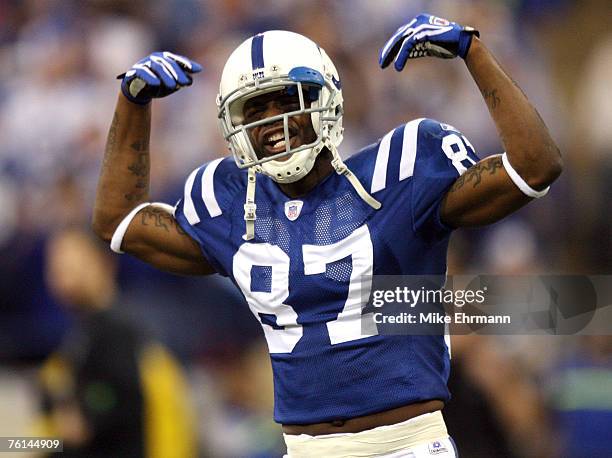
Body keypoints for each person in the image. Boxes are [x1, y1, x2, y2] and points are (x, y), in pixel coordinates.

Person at [93, 13, 562, 457]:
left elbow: (535, 167)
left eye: (287, 100)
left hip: (406, 443)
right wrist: (133, 103)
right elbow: (118, 221)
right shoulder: (231, 204)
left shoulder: (397, 170)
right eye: (255, 108)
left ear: (325, 102)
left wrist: (473, 52)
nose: (273, 123)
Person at [39, 228, 197, 458]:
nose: (62, 276)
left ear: (104, 264)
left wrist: (15, 444)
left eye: (73, 264)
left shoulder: (120, 334)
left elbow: (87, 424)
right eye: (56, 267)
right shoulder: (80, 336)